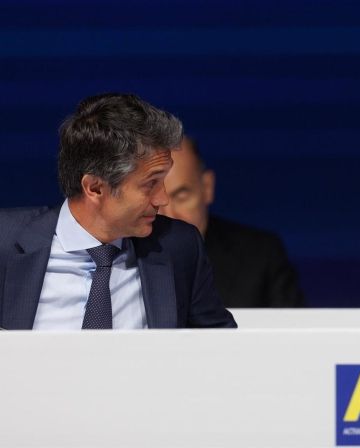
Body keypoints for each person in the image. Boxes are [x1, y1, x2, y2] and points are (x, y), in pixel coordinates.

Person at [0, 93, 236, 330]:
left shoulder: (177, 246)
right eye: (150, 184)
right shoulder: (6, 242)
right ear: (94, 188)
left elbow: (220, 343)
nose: (162, 199)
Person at [159, 137, 305, 307]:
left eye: (181, 197)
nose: (168, 216)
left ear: (207, 187)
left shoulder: (261, 256)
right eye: (155, 200)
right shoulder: (130, 256)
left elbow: (293, 323)